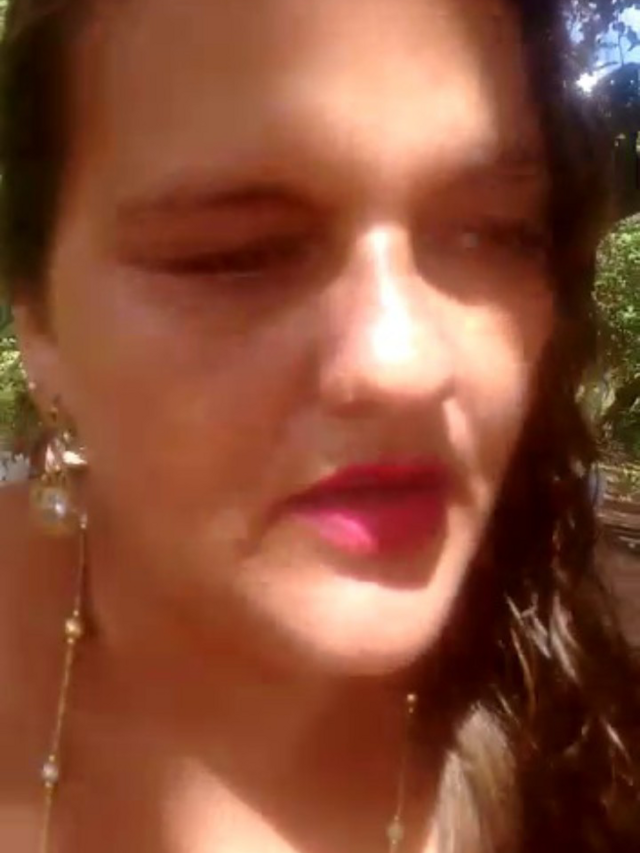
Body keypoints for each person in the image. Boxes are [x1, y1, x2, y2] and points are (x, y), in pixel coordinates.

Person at [0, 0, 638, 851]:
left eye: (491, 234)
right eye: (234, 254)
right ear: (39, 327)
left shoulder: (604, 727)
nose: (401, 365)